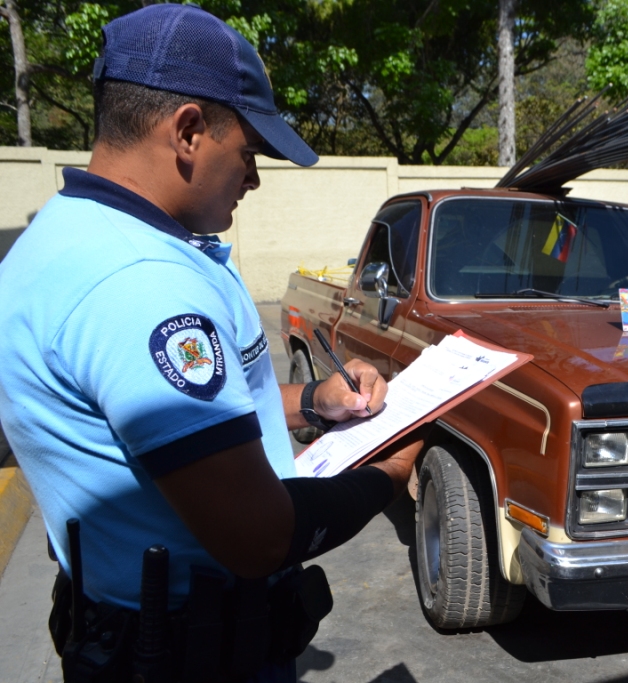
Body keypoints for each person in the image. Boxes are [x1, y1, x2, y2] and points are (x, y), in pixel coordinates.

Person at [0, 5, 422, 681]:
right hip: (190, 655)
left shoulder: (61, 237)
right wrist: (389, 473)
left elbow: (176, 415)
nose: (254, 178)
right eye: (250, 153)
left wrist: (316, 400)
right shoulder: (139, 283)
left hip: (135, 634)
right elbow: (257, 536)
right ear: (190, 132)